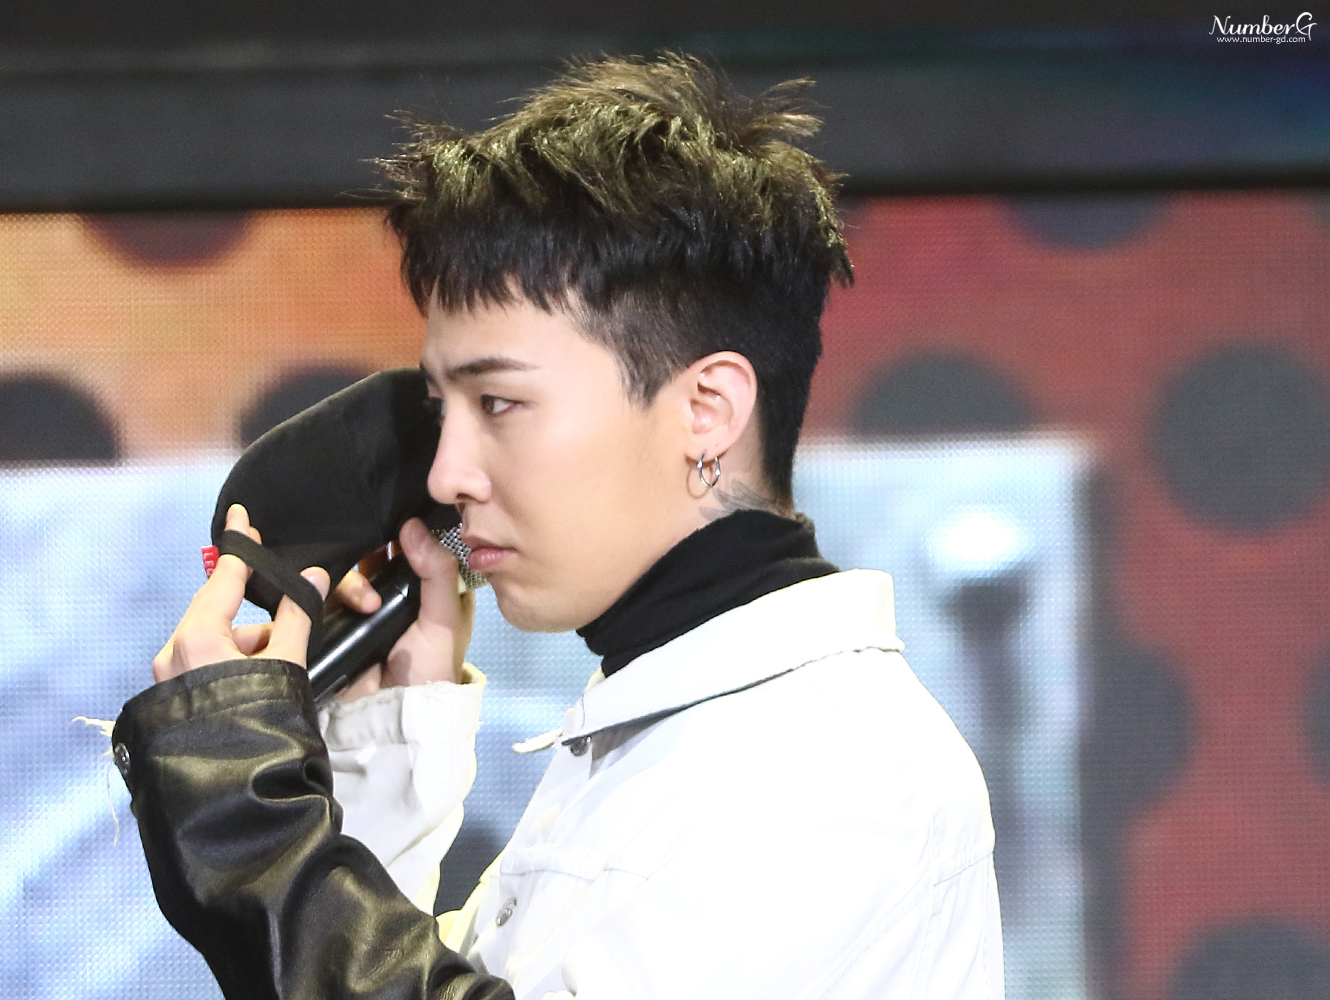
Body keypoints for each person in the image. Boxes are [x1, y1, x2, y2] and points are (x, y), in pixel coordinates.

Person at [111, 53, 1005, 999]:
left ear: (706, 410)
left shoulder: (835, 772)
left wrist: (248, 827)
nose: (447, 474)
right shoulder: (676, 736)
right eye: (440, 410)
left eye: (498, 403)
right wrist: (382, 744)